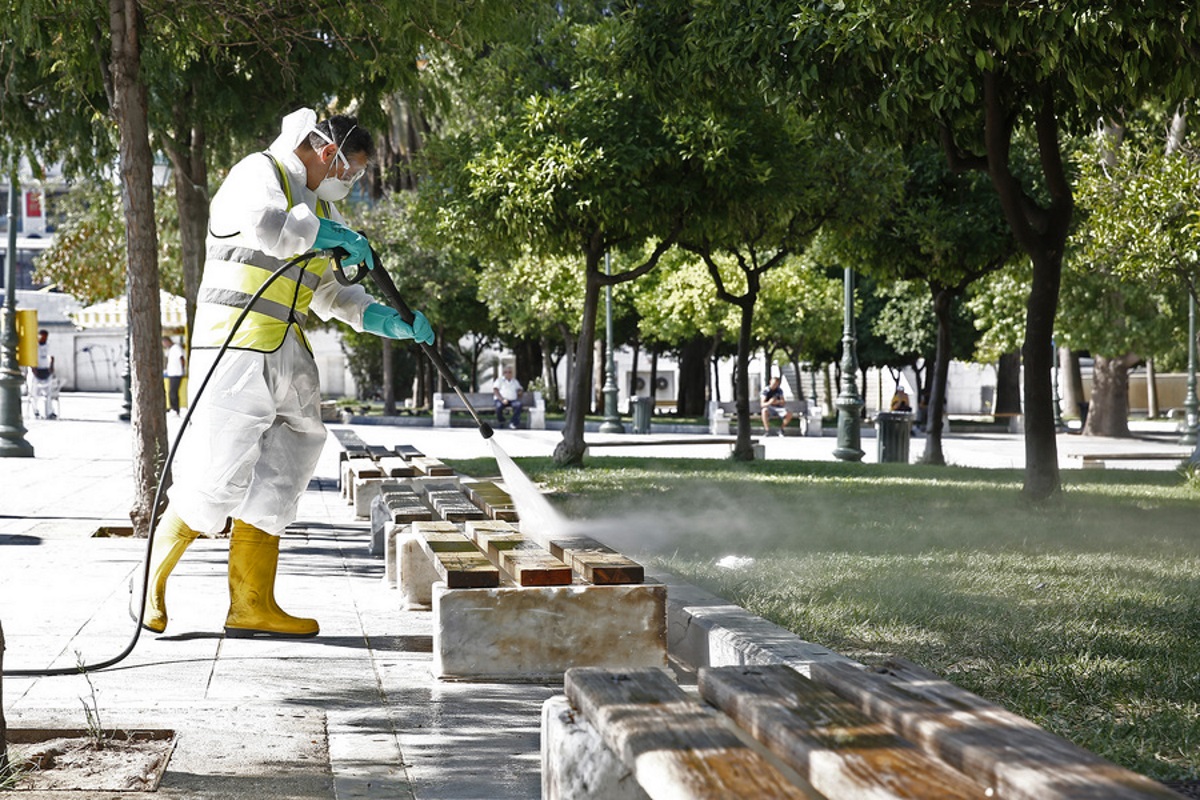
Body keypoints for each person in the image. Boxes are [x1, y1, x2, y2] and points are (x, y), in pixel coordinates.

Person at [138, 108, 434, 639]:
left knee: (282, 475)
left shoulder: (320, 206)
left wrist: (388, 320)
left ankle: (252, 606)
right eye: (354, 171)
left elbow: (330, 293)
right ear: (328, 154)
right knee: (214, 477)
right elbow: (270, 229)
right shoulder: (258, 172)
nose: (353, 181)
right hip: (235, 347)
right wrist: (329, 237)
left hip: (287, 352)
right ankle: (148, 592)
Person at [27, 329, 57, 419]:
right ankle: (35, 412)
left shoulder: (48, 345)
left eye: (45, 336)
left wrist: (51, 367)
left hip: (45, 370)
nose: (43, 338)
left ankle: (49, 412)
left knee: (48, 393)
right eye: (41, 336)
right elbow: (29, 357)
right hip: (35, 371)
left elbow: (52, 357)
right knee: (34, 393)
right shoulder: (33, 346)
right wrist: (33, 369)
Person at [492, 364, 524, 429]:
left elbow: (519, 388)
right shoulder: (499, 380)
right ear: (503, 373)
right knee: (498, 406)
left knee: (519, 405)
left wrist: (520, 391)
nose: (508, 374)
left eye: (510, 372)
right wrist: (502, 399)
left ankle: (513, 423)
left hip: (512, 400)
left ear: (512, 373)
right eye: (506, 372)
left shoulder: (515, 381)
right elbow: (495, 390)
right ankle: (501, 421)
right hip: (501, 400)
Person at [163, 336, 186, 415]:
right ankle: (174, 408)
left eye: (165, 343)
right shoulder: (170, 349)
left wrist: (182, 369)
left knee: (173, 392)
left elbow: (182, 358)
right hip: (172, 373)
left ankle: (175, 409)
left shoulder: (176, 348)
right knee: (172, 392)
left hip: (176, 373)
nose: (165, 345)